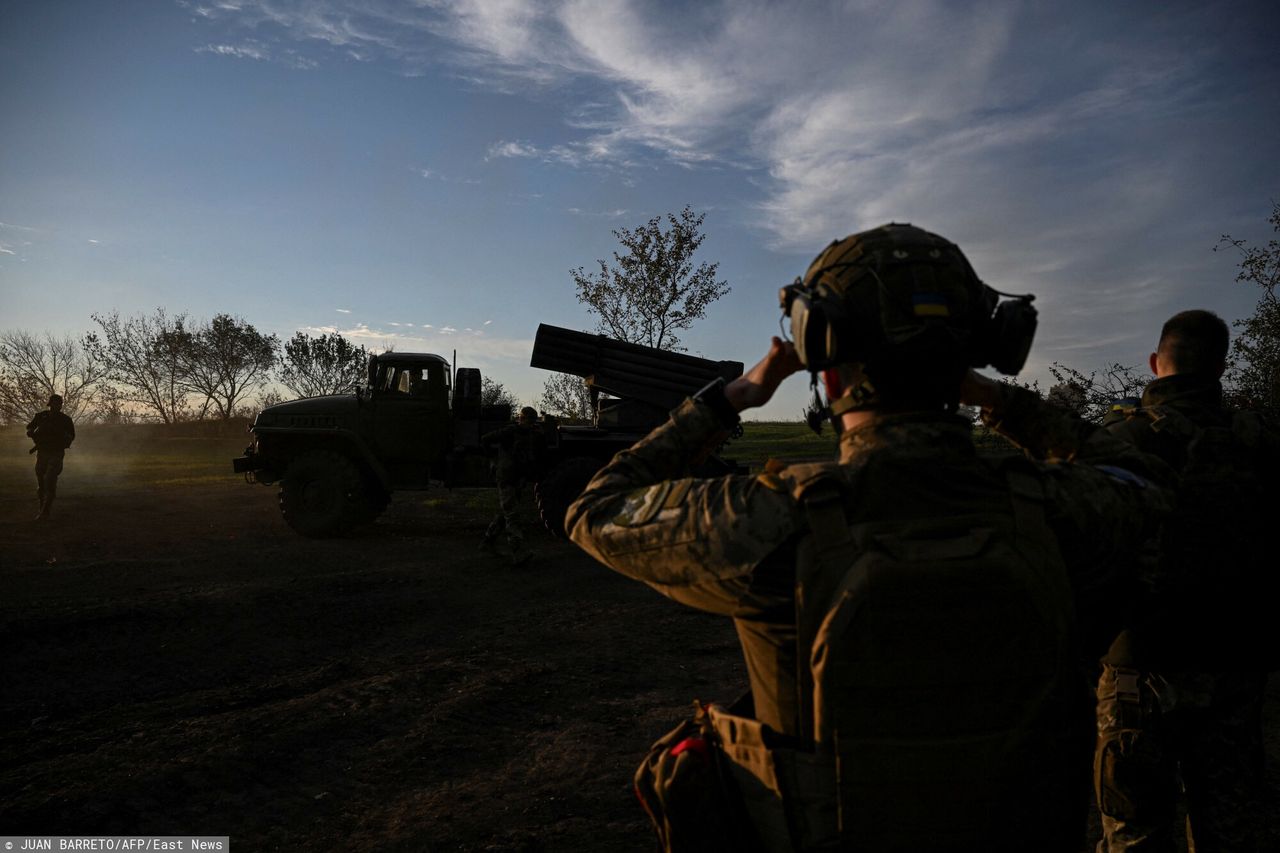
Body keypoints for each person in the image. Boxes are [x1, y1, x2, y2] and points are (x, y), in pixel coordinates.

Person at [566, 223, 1171, 852]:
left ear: (822, 365)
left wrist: (731, 399)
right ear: (980, 349)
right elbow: (1147, 478)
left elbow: (593, 510)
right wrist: (999, 401)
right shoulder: (1056, 506)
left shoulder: (772, 519)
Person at [1094, 310, 1278, 852]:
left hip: (1139, 669)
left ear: (1156, 363)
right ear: (1220, 368)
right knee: (1230, 827)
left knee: (1134, 832)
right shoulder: (1260, 443)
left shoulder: (1120, 440)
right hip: (1236, 666)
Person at [480, 406, 544, 566]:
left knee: (506, 513)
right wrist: (493, 461)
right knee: (512, 515)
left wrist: (525, 477)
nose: (529, 424)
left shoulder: (530, 435)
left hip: (516, 478)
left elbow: (528, 459)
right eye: (527, 421)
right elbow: (485, 439)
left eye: (531, 422)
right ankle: (518, 552)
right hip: (506, 477)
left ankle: (488, 540)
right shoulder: (509, 432)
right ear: (521, 419)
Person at [26, 393, 76, 520]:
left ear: (60, 405)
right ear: (50, 404)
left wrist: (65, 438)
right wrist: (31, 432)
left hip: (56, 453)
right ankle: (42, 507)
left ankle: (45, 511)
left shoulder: (65, 420)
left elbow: (71, 436)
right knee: (41, 482)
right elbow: (30, 427)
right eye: (53, 404)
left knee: (50, 478)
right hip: (42, 452)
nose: (55, 406)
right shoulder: (42, 416)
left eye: (57, 404)